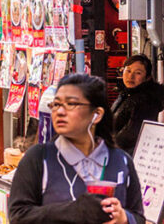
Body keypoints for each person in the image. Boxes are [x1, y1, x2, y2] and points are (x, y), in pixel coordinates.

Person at [9, 73, 146, 224]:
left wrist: (124, 217)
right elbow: (18, 216)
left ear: (97, 114)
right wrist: (74, 211)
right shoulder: (39, 158)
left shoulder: (121, 160)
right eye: (56, 104)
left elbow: (138, 217)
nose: (60, 111)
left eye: (71, 104)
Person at [112, 54, 164, 155]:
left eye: (138, 73)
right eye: (128, 71)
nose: (131, 76)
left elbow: (130, 135)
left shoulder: (147, 101)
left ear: (147, 78)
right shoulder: (126, 94)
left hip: (129, 158)